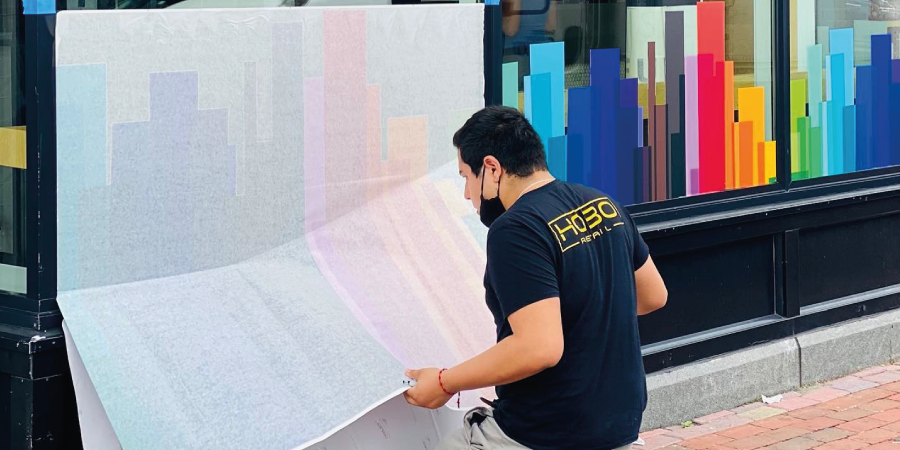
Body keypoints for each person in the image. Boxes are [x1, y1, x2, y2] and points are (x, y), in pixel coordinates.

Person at [404, 106, 668, 450]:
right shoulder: (603, 204)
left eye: (466, 177)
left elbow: (539, 348)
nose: (467, 194)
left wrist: (444, 382)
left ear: (492, 168)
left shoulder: (515, 229)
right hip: (619, 425)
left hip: (548, 431)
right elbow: (653, 296)